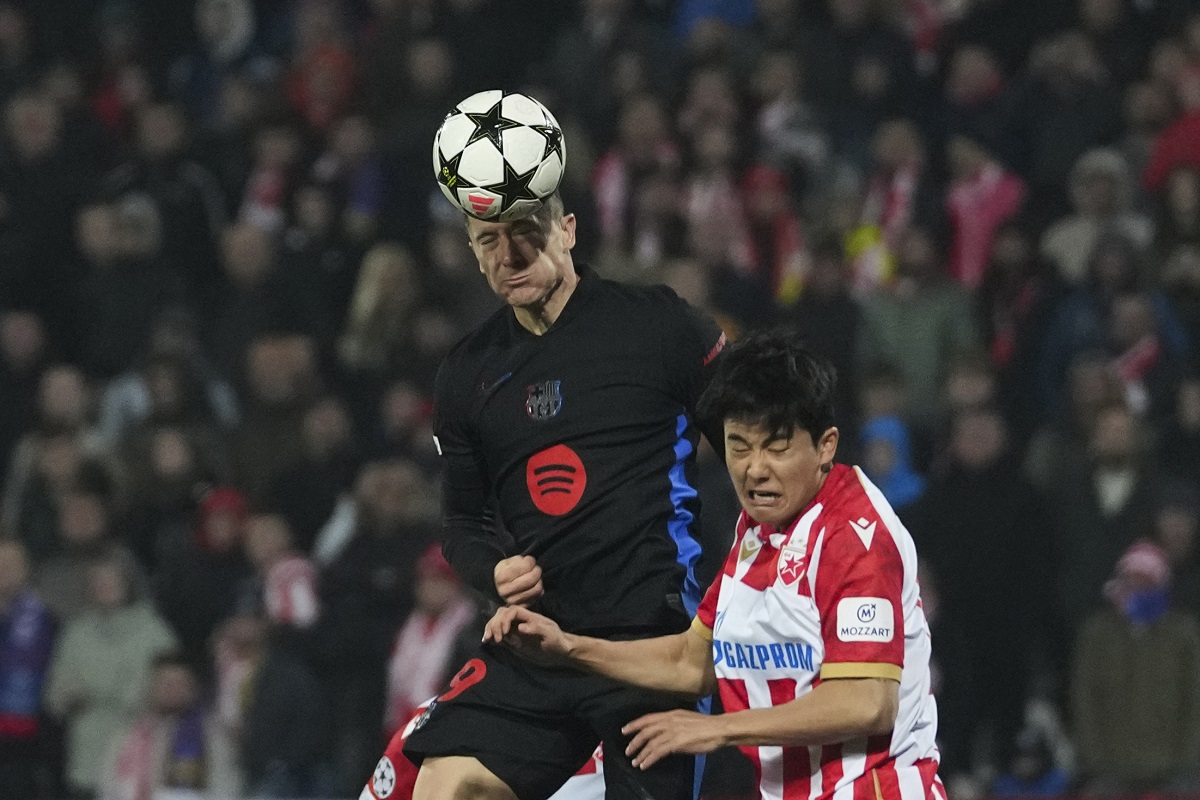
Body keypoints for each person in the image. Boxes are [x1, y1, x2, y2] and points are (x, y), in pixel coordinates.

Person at [485, 330, 944, 800]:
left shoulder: (856, 535)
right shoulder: (758, 528)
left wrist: (718, 729)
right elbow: (694, 660)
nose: (754, 468)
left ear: (826, 446)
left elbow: (867, 702)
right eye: (739, 446)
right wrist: (568, 648)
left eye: (777, 447)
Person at [384, 171, 726, 800]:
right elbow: (462, 525)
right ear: (472, 251)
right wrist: (494, 574)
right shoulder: (467, 373)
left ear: (568, 232)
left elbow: (751, 447)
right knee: (443, 785)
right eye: (488, 239)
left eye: (525, 232)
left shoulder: (659, 326)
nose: (508, 254)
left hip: (653, 639)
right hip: (541, 641)